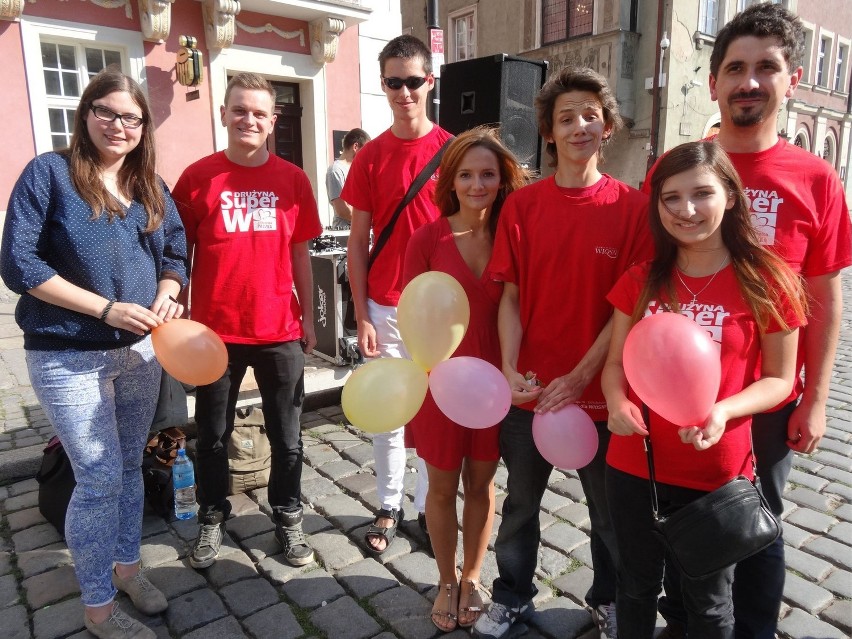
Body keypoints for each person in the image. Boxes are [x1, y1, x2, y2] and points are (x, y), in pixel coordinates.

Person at [650, 5, 852, 637]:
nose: (749, 81)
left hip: (764, 397)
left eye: (767, 67)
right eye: (735, 67)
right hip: (676, 395)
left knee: (756, 523)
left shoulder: (815, 179)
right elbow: (642, 278)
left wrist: (813, 400)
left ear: (791, 79)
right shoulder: (680, 169)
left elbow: (826, 296)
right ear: (713, 83)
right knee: (682, 521)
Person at [0, 69, 187, 639]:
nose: (119, 125)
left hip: (139, 355)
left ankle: (128, 570)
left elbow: (176, 252)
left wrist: (167, 296)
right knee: (100, 477)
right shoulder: (50, 175)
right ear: (85, 114)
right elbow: (20, 265)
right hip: (67, 354)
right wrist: (105, 310)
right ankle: (99, 610)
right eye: (106, 112)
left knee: (129, 466)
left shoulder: (149, 185)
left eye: (131, 117)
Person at [472, 66, 652, 639]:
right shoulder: (523, 209)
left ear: (607, 127)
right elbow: (511, 299)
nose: (579, 126)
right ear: (548, 131)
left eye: (590, 116)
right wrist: (505, 368)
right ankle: (512, 596)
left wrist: (581, 376)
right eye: (566, 117)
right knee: (521, 506)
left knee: (609, 516)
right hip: (529, 391)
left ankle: (609, 599)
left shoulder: (632, 209)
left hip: (602, 393)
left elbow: (629, 311)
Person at [602, 140, 807, 638]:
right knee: (634, 587)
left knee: (709, 604)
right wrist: (614, 401)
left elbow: (780, 380)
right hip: (636, 464)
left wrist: (722, 411)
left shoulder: (767, 280)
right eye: (670, 197)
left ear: (731, 197)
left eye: (701, 194)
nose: (685, 210)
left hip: (718, 470)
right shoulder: (641, 280)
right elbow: (613, 365)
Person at [171, 73, 322, 570]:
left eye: (259, 112)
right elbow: (179, 253)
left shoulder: (293, 180)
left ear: (272, 121)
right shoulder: (198, 178)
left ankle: (287, 513)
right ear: (223, 114)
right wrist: (185, 318)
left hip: (279, 327)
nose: (249, 119)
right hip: (214, 334)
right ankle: (212, 517)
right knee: (211, 435)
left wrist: (310, 315)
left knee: (288, 436)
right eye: (240, 110)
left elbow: (301, 252)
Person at [403, 128, 528, 632]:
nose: (477, 184)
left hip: (493, 387)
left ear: (502, 181)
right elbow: (410, 315)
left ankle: (473, 576)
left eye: (488, 175)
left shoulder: (512, 236)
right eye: (467, 175)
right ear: (450, 181)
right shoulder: (426, 238)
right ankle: (445, 579)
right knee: (440, 487)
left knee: (481, 484)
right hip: (439, 384)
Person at [342, 34, 453, 554]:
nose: (404, 91)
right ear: (383, 85)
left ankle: (430, 508)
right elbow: (357, 244)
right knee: (390, 412)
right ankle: (389, 503)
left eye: (413, 81)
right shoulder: (370, 158)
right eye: (394, 82)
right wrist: (360, 314)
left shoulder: (453, 152)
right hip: (386, 304)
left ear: (429, 81)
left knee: (434, 413)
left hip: (438, 310)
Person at [326, 128, 370, 230]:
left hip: (361, 229)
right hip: (345, 232)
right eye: (366, 149)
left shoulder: (357, 169)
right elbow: (343, 210)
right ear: (355, 146)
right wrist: (371, 221)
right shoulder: (335, 170)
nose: (368, 154)